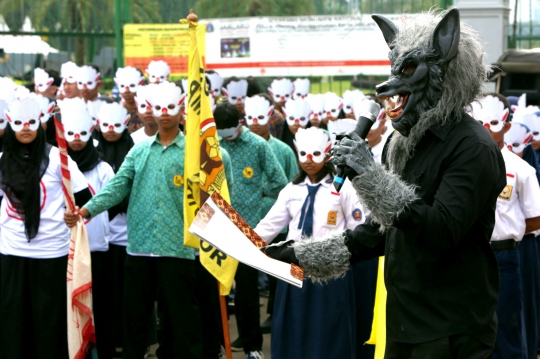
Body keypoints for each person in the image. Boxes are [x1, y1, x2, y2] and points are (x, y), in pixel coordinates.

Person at [265, 9, 507, 358]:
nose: (391, 83)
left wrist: (369, 175)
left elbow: (440, 230)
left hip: (452, 326)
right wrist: (296, 255)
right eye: (395, 67)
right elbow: (387, 231)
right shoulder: (403, 142)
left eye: (409, 70)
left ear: (445, 73)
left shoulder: (473, 147)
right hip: (404, 321)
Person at [64, 81, 202, 359]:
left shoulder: (195, 152)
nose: (164, 113)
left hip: (178, 246)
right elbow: (117, 186)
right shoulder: (139, 150)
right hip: (138, 246)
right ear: (149, 110)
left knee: (183, 316)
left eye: (171, 107)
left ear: (182, 110)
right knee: (135, 318)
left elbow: (215, 190)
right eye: (159, 107)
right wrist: (86, 210)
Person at [255, 126, 364, 359]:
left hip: (331, 269)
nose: (309, 161)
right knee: (295, 325)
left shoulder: (343, 187)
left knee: (328, 329)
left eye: (315, 154)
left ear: (327, 154)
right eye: (303, 154)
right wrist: (244, 243)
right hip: (295, 269)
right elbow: (269, 226)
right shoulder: (291, 190)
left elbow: (358, 230)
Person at [0, 96, 91, 359]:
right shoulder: (3, 159)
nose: (25, 128)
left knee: (48, 323)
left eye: (31, 122)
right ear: (10, 125)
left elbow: (86, 198)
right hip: (11, 253)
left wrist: (75, 214)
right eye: (18, 123)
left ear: (41, 122)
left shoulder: (58, 159)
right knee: (12, 320)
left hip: (51, 255)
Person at [214, 102, 288, 359]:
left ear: (240, 124)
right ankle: (217, 342)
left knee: (246, 289)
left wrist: (259, 202)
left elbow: (280, 182)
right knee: (216, 287)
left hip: (248, 227)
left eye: (230, 132)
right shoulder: (211, 146)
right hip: (216, 224)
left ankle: (252, 345)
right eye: (221, 133)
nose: (226, 138)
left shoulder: (258, 145)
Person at [470, 94, 540, 359]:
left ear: (507, 126)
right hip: (470, 256)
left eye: (493, 122)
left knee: (506, 327)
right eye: (480, 122)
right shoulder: (462, 166)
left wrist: (508, 231)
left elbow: (536, 215)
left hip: (504, 256)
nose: (486, 129)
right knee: (473, 328)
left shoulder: (520, 169)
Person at [59, 97, 116, 359]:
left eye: (82, 133)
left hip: (97, 249)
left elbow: (112, 201)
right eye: (71, 133)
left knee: (101, 308)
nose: (77, 139)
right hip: (65, 251)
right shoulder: (55, 166)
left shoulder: (103, 168)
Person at [115, 66, 146, 134]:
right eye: (122, 86)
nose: (127, 91)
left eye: (132, 85)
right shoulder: (115, 111)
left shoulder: (148, 111)